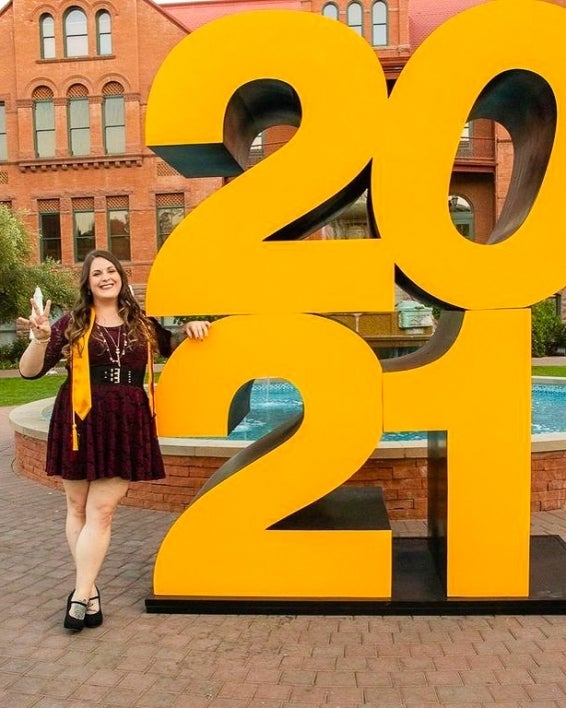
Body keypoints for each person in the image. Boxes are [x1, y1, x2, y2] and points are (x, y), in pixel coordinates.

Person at [18, 249, 210, 631]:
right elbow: (29, 373)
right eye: (96, 274)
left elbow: (177, 348)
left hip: (125, 420)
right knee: (77, 508)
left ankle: (79, 595)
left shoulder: (142, 322)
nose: (106, 277)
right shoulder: (70, 323)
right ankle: (88, 593)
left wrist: (194, 326)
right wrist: (39, 339)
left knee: (102, 511)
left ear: (121, 276)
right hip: (79, 417)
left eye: (111, 270)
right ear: (87, 284)